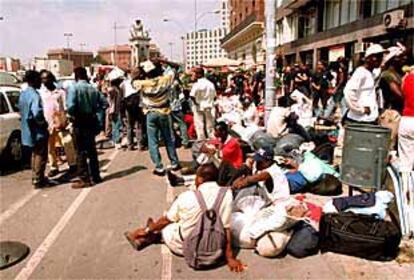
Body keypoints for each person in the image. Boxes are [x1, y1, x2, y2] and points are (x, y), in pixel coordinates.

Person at [124, 163, 246, 273]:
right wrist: (230, 258)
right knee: (182, 218)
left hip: (188, 248)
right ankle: (151, 233)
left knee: (169, 225)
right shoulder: (226, 194)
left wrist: (149, 229)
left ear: (200, 179)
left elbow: (166, 220)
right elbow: (226, 229)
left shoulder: (187, 196)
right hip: (215, 248)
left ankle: (149, 235)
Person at [133, 60, 180, 176]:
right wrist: (163, 60)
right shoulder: (165, 80)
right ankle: (174, 162)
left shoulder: (142, 83)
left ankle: (159, 167)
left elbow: (133, 78)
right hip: (164, 112)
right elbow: (177, 67)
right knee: (168, 138)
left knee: (153, 141)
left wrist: (140, 69)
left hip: (150, 113)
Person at [67, 67, 103, 188]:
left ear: (76, 76)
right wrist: (95, 110)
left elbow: (71, 106)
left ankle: (84, 178)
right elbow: (104, 103)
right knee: (92, 149)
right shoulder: (93, 89)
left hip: (79, 121)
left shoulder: (74, 88)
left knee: (80, 151)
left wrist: (71, 115)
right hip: (90, 120)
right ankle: (96, 176)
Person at [39, 70, 77, 177]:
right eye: (42, 79)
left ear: (51, 79)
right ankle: (53, 167)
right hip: (48, 123)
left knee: (67, 142)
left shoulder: (60, 92)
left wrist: (66, 119)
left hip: (61, 121)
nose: (44, 81)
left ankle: (72, 164)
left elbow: (65, 107)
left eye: (46, 78)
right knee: (50, 146)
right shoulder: (42, 93)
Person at [19, 70, 50, 188]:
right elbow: (36, 112)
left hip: (27, 130)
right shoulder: (34, 95)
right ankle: (39, 179)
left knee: (34, 154)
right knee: (41, 154)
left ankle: (35, 176)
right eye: (39, 80)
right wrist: (43, 123)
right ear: (34, 80)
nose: (41, 83)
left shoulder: (23, 94)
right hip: (37, 130)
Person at [343, 44, 386, 125]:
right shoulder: (361, 72)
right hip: (359, 120)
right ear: (368, 58)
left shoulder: (371, 73)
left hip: (368, 119)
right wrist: (360, 109)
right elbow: (348, 92)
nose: (379, 60)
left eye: (381, 57)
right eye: (376, 57)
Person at [190, 68, 216, 140]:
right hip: (209, 105)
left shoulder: (197, 84)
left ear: (199, 74)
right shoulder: (210, 84)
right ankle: (212, 139)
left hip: (199, 105)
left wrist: (196, 103)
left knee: (199, 124)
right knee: (210, 125)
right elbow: (214, 96)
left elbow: (192, 95)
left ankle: (201, 140)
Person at [121, 69, 142, 150]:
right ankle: (140, 144)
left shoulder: (123, 83)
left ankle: (130, 145)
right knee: (138, 125)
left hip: (128, 106)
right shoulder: (139, 82)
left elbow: (122, 95)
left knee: (129, 126)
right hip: (138, 105)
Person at [398, 66, 414, 171]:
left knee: (405, 162)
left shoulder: (407, 79)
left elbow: (403, 92)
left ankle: (406, 186)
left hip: (407, 120)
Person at [107, 75, 124, 149]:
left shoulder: (117, 89)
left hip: (114, 109)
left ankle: (115, 140)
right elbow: (110, 92)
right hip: (115, 110)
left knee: (115, 125)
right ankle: (117, 141)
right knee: (116, 125)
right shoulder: (115, 90)